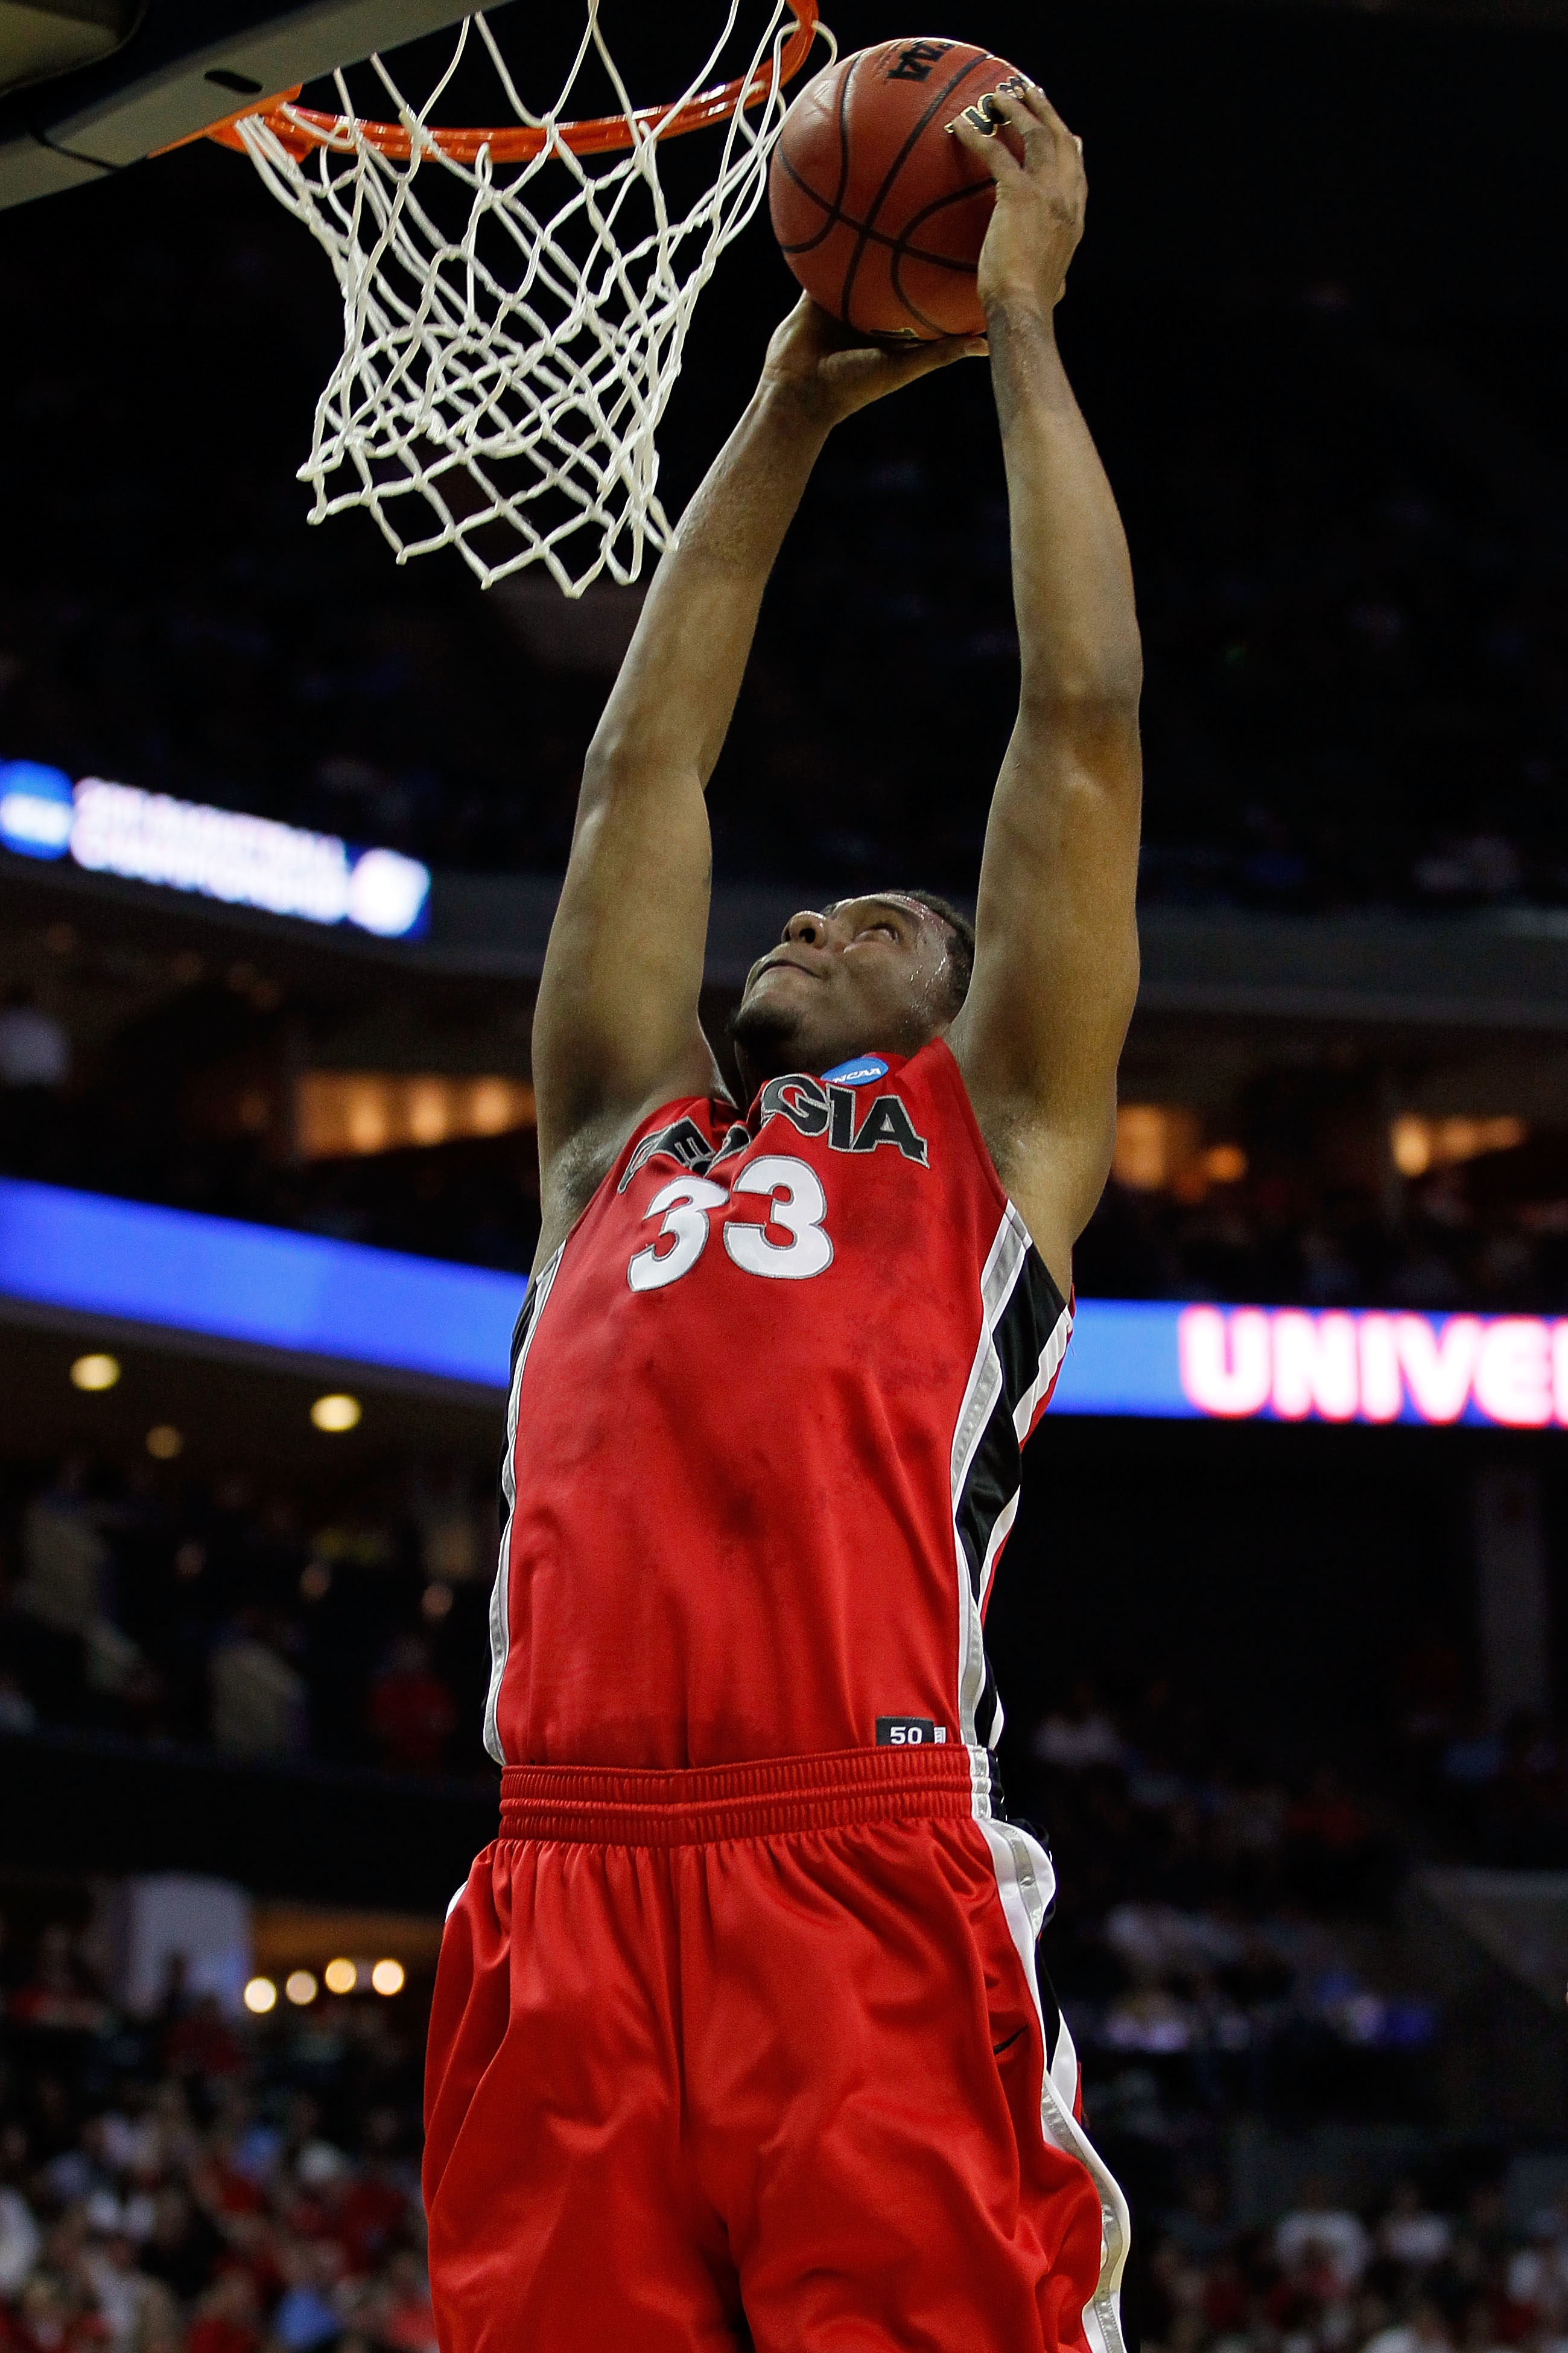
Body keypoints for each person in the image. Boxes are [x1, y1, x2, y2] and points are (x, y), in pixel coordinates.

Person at [425, 83, 1141, 2353]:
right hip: (557, 1874)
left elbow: (1086, 720)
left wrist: (1018, 323)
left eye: (898, 913)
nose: (833, 904)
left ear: (967, 1005)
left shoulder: (994, 1151)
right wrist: (779, 418)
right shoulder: (608, 1153)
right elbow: (647, 773)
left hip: (863, 1862)